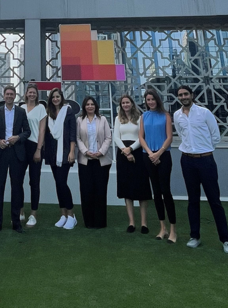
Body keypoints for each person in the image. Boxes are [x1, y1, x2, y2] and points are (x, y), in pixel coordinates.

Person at [174, 85, 228, 254]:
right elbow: (181, 134)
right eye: (180, 95)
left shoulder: (204, 112)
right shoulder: (177, 115)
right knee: (193, 200)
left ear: (192, 95)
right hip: (187, 161)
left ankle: (226, 240)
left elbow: (215, 135)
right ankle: (195, 236)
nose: (183, 97)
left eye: (186, 94)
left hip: (206, 160)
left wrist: (204, 149)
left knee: (214, 200)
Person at [139, 88, 177, 244]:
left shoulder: (166, 115)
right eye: (148, 100)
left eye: (152, 99)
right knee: (156, 192)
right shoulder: (143, 116)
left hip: (163, 156)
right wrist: (150, 153)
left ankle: (173, 229)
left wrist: (158, 153)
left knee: (165, 191)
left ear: (157, 100)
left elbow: (169, 137)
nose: (150, 102)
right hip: (148, 156)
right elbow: (141, 137)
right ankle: (162, 228)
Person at [0, 85, 31, 234]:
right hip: (1, 153)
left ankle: (16, 223)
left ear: (15, 96)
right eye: (7, 94)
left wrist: (18, 137)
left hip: (16, 153)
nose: (9, 96)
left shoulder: (21, 112)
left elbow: (27, 131)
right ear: (4, 95)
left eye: (11, 94)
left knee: (16, 188)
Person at [114, 95, 152, 234]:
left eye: (127, 102)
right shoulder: (118, 119)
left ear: (132, 103)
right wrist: (125, 150)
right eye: (123, 103)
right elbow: (116, 137)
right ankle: (131, 222)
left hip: (138, 153)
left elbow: (142, 137)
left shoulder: (140, 118)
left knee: (141, 189)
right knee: (127, 189)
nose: (125, 105)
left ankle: (144, 223)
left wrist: (131, 149)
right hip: (123, 154)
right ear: (121, 105)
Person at [76, 96, 113, 229]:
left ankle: (100, 222)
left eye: (92, 104)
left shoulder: (102, 119)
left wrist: (101, 152)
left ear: (95, 106)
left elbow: (108, 137)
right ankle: (89, 222)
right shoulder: (80, 120)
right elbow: (78, 138)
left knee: (100, 191)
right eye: (87, 104)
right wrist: (85, 151)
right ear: (84, 107)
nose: (90, 106)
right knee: (86, 191)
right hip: (85, 161)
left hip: (101, 161)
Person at [44, 88, 78, 230]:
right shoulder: (49, 114)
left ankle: (71, 215)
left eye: (57, 96)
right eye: (53, 97)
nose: (55, 99)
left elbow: (72, 133)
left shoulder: (67, 111)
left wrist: (71, 152)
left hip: (64, 153)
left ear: (61, 97)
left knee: (61, 182)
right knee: (58, 184)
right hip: (52, 153)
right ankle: (63, 215)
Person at [20, 83, 46, 227]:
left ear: (37, 94)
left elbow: (42, 131)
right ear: (26, 94)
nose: (31, 94)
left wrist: (38, 149)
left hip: (35, 146)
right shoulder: (21, 108)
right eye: (29, 92)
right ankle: (21, 212)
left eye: (34, 92)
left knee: (34, 182)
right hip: (21, 147)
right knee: (19, 180)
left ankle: (33, 214)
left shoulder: (41, 108)